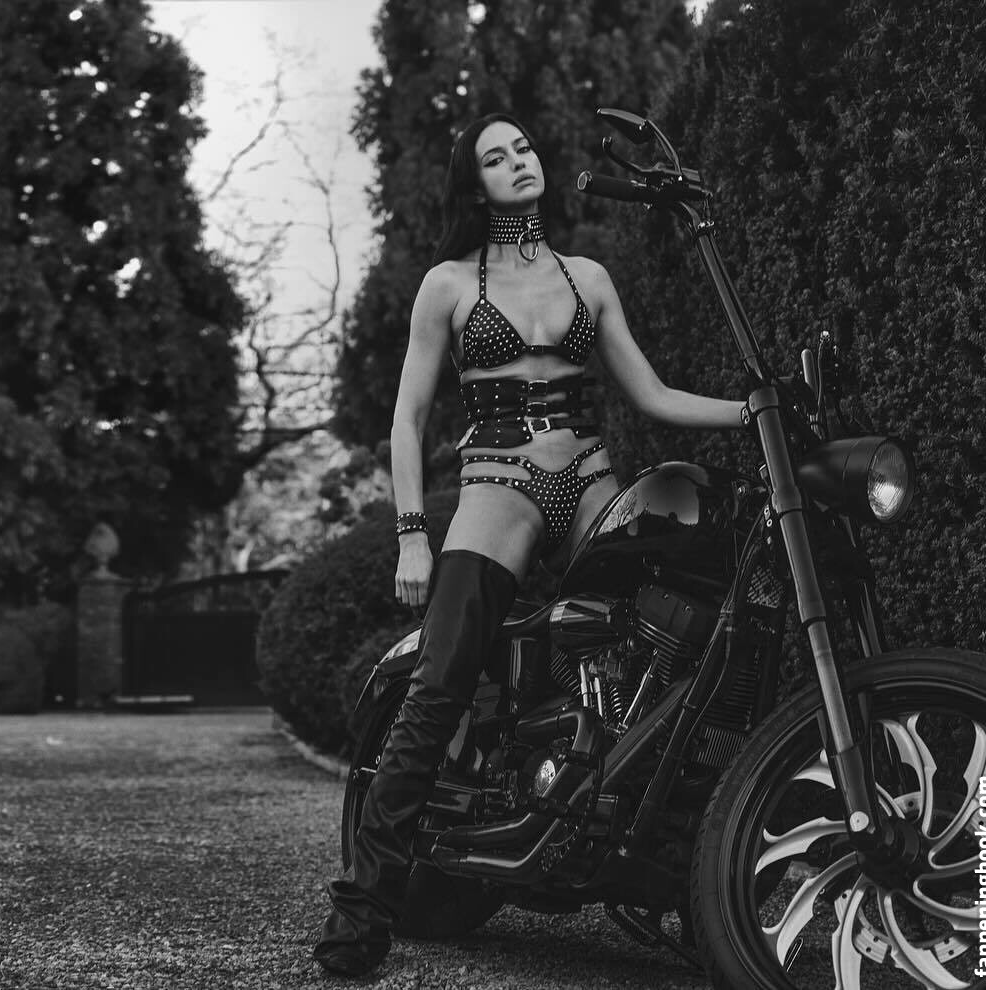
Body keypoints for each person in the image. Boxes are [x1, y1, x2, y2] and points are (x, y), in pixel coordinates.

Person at [312, 112, 745, 978]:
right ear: (474, 185)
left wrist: (754, 410)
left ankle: (643, 842)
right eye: (495, 156)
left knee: (670, 637)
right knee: (439, 684)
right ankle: (362, 909)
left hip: (587, 474)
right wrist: (411, 534)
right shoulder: (447, 283)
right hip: (499, 480)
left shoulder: (589, 277)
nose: (519, 161)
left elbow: (653, 394)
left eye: (523, 148)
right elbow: (406, 420)